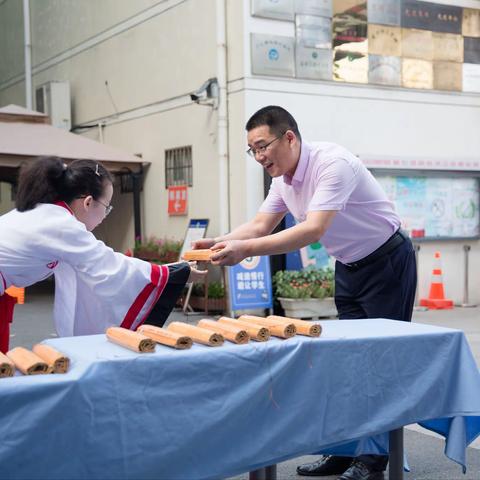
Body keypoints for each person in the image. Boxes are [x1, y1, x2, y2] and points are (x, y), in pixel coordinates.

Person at [193, 106, 417, 480]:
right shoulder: (283, 179)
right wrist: (217, 242)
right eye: (253, 150)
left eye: (262, 146)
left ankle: (373, 460)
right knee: (346, 362)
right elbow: (261, 224)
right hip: (348, 267)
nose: (259, 156)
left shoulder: (334, 164)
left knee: (379, 363)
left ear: (290, 138)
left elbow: (313, 229)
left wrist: (244, 251)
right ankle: (344, 452)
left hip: (387, 263)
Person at [0, 156, 204, 353]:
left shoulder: (45, 214)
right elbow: (108, 266)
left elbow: (95, 266)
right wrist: (177, 273)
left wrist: (170, 270)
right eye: (107, 207)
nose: (105, 217)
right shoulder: (62, 225)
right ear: (88, 202)